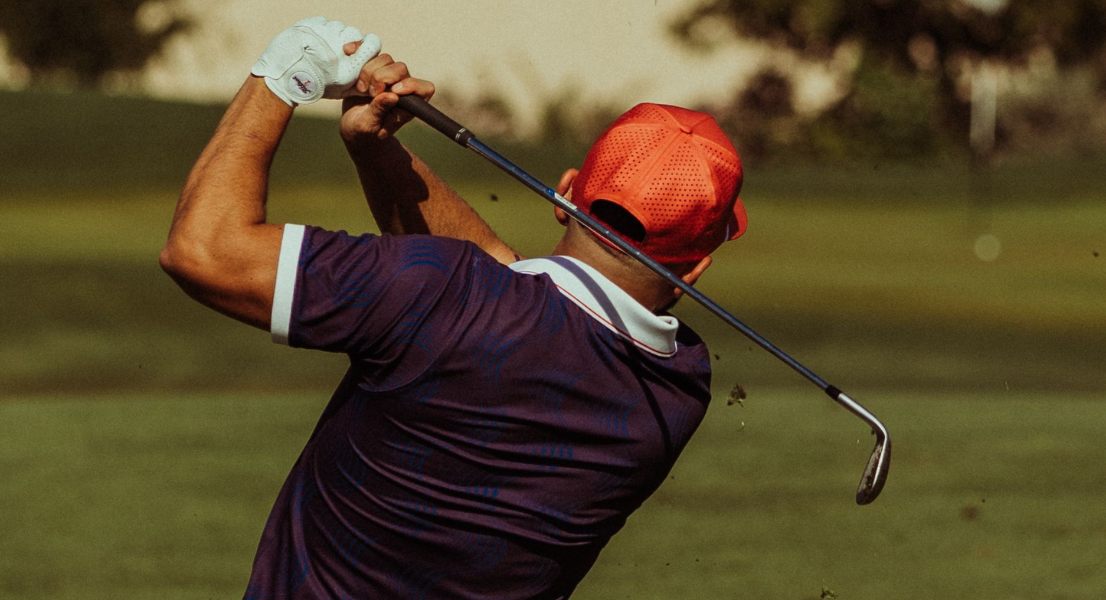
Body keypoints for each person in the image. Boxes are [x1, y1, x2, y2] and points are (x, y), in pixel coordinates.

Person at [160, 16, 748, 599]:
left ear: (565, 193)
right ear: (695, 268)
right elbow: (510, 287)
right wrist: (375, 151)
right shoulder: (677, 390)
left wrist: (284, 75)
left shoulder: (441, 293)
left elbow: (203, 251)